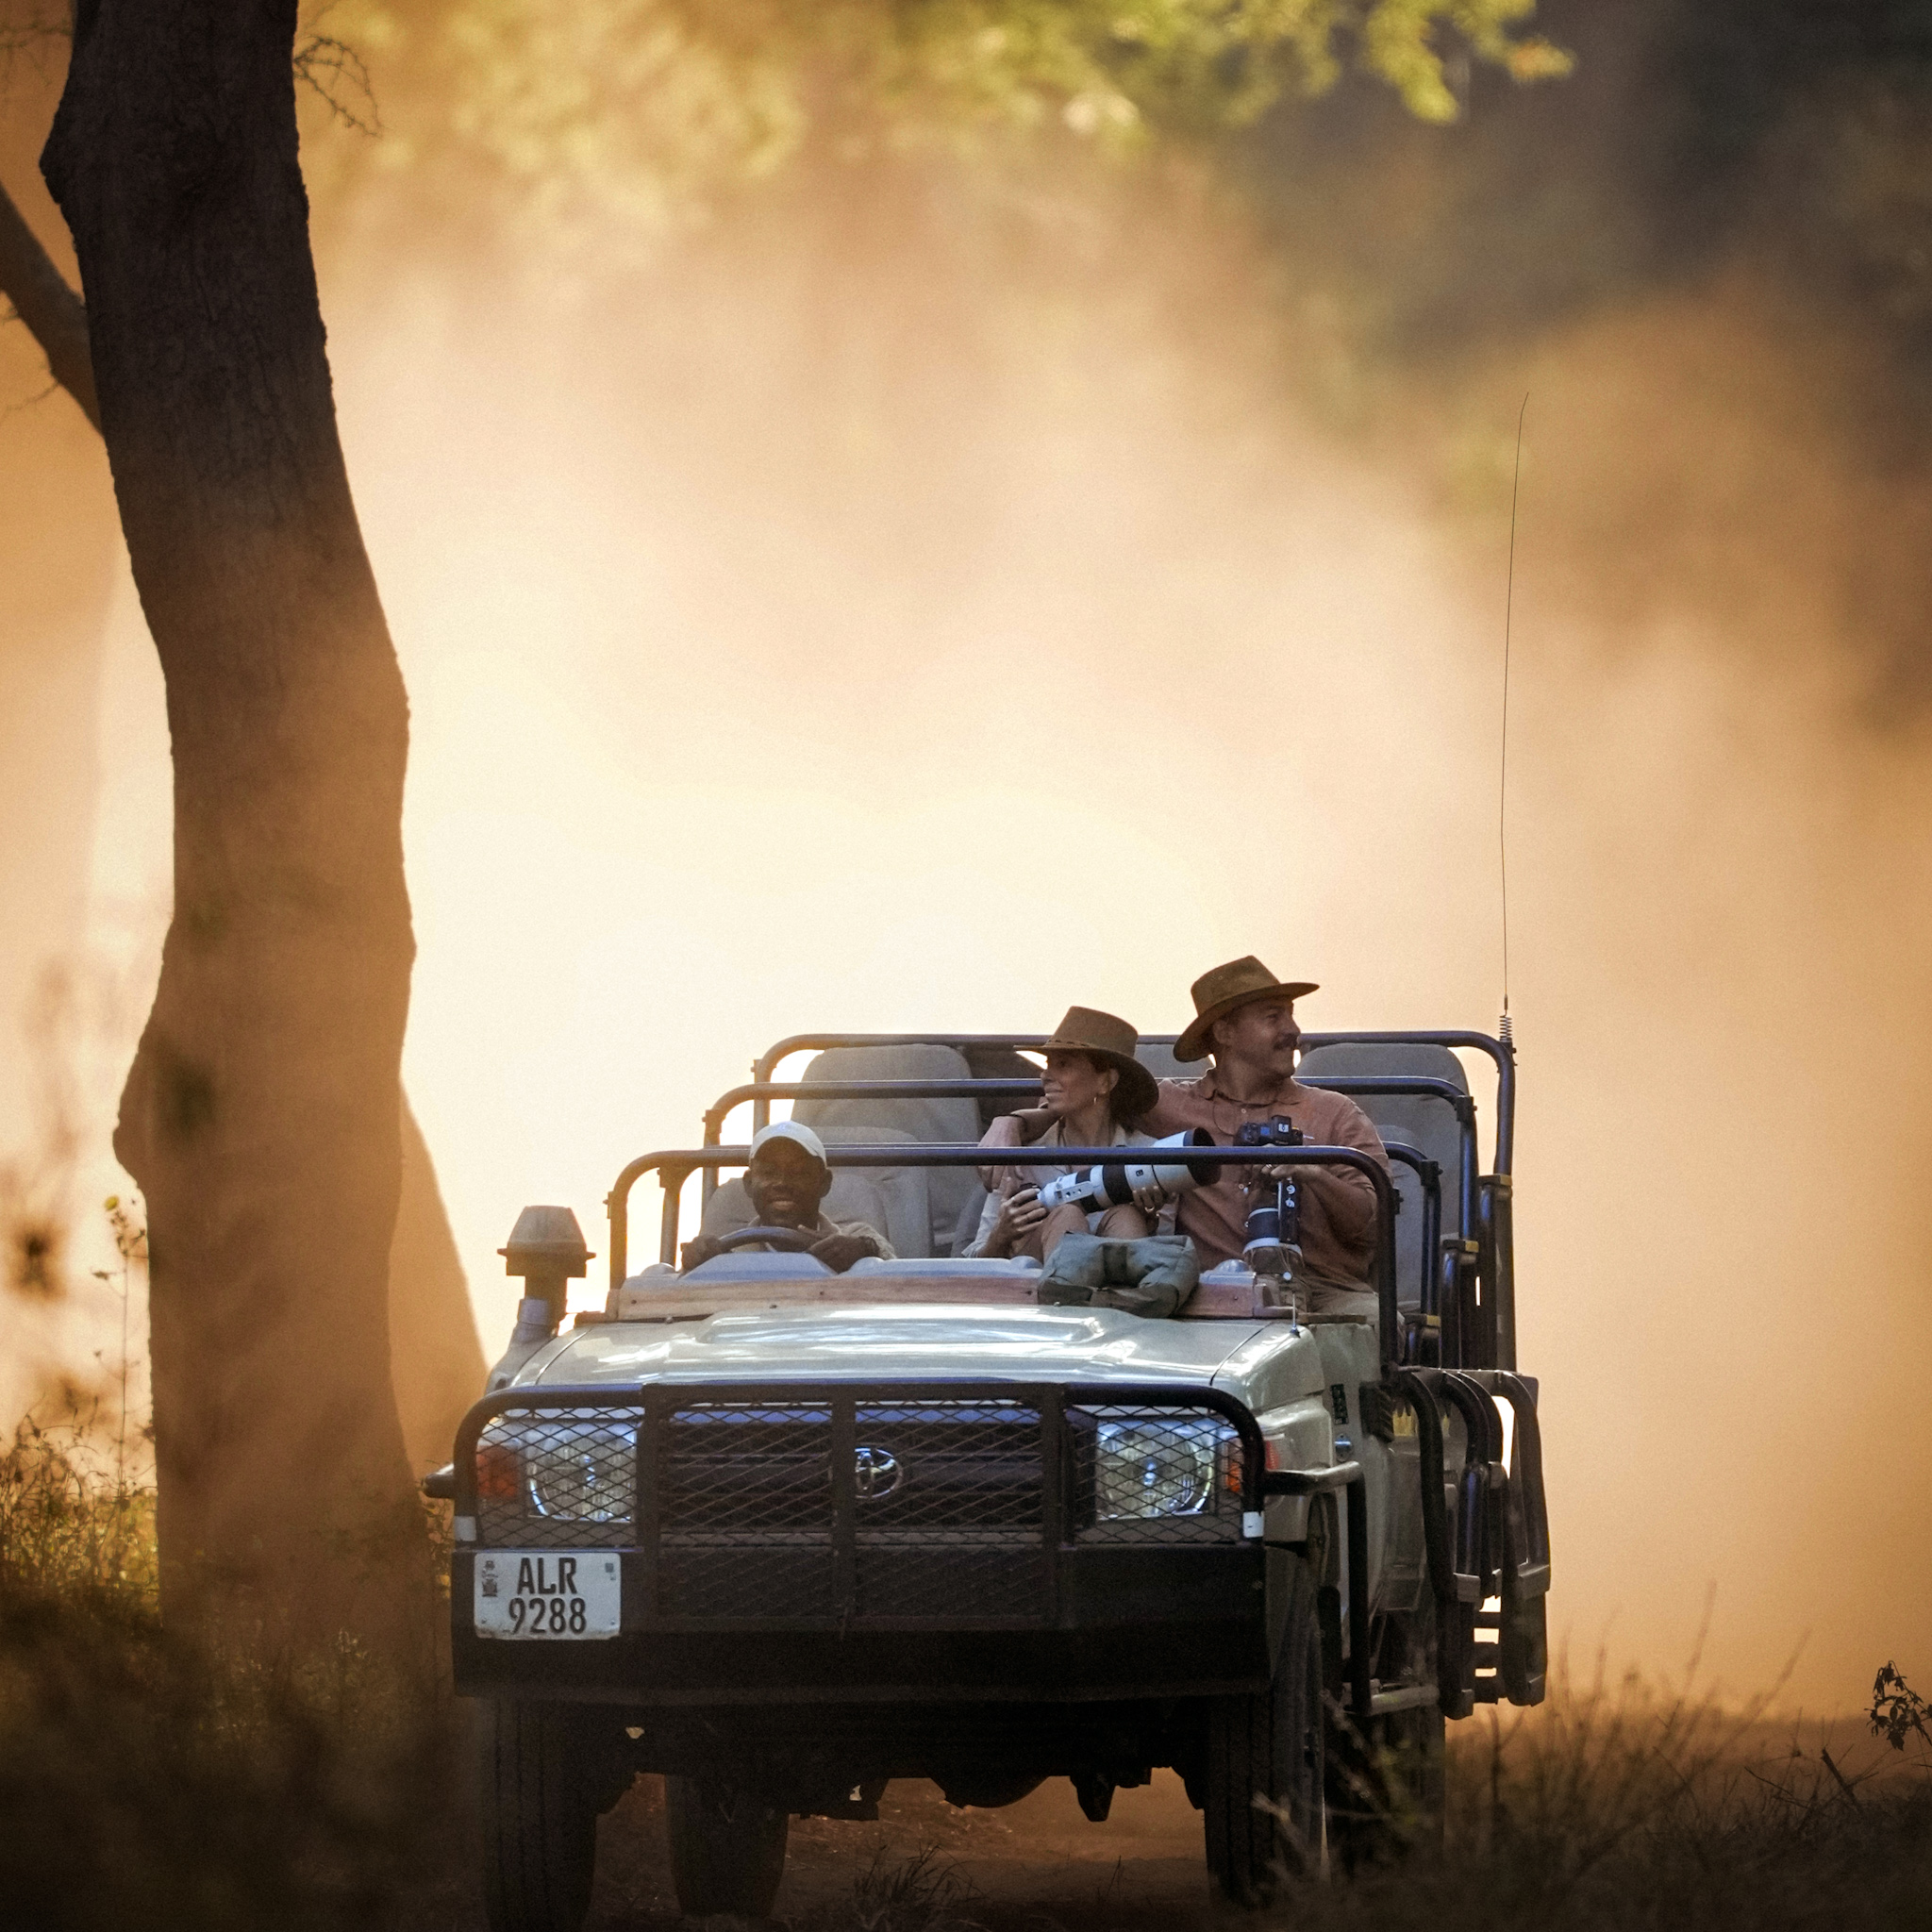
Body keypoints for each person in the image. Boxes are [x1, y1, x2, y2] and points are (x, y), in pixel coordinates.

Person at [1145, 957, 1388, 1309]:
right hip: (1209, 1296)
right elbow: (1093, 1092)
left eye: (1290, 1015)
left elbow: (1375, 1225)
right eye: (1273, 1018)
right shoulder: (1169, 1104)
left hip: (1325, 1296)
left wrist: (1312, 1173)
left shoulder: (1334, 1112)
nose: (1293, 1030)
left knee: (1372, 1322)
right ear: (1225, 1033)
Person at [968, 1008, 1162, 1262]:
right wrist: (1001, 1235)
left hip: (1120, 1279)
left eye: (1063, 1064)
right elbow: (975, 1262)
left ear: (1106, 1082)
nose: (1045, 1075)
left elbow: (1166, 1255)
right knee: (1066, 1216)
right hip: (1033, 1285)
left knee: (1126, 1218)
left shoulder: (1150, 1157)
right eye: (1048, 1065)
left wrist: (1150, 1219)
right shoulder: (1019, 1156)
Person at [680, 1121, 895, 1274]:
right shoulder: (725, 1257)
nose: (782, 1183)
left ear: (824, 1183)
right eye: (768, 1173)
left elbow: (894, 1271)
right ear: (749, 1184)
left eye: (799, 1172)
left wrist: (865, 1252)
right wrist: (694, 1264)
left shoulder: (855, 1239)